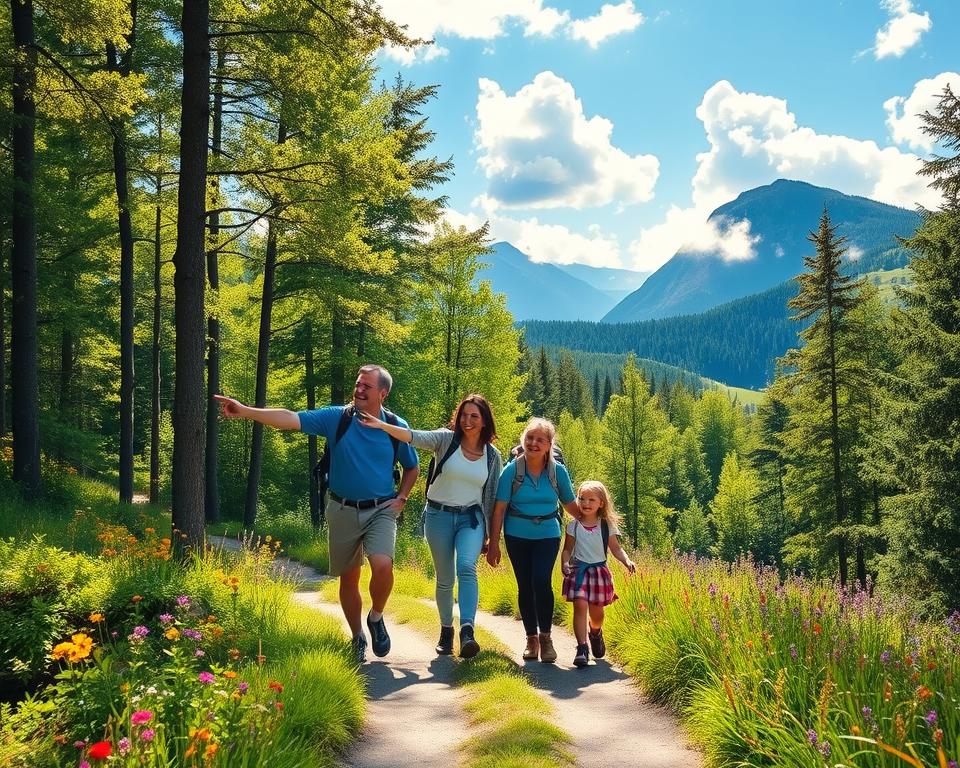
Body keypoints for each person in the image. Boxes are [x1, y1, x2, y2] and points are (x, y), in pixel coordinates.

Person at [214, 365, 419, 664]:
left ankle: (376, 617)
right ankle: (358, 636)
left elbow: (412, 466)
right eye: (358, 384)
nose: (359, 389)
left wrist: (402, 496)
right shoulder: (338, 417)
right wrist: (247, 411)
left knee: (383, 565)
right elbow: (289, 418)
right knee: (349, 579)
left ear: (383, 393)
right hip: (341, 508)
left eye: (367, 386)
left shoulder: (395, 426)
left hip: (381, 509)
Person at [359, 394, 503, 658]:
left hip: (471, 519)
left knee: (467, 568)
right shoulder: (445, 440)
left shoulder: (493, 457)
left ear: (484, 422)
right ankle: (446, 631)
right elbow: (413, 436)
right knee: (446, 578)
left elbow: (494, 500)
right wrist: (382, 425)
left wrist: (494, 540)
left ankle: (467, 630)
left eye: (474, 416)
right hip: (438, 516)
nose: (467, 421)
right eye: (464, 415)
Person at [486, 417, 579, 663]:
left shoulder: (557, 472)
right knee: (525, 585)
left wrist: (596, 523)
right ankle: (531, 639)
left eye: (540, 440)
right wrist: (493, 544)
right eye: (529, 438)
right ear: (523, 440)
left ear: (549, 445)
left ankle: (546, 638)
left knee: (541, 580)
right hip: (516, 535)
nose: (533, 443)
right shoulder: (511, 471)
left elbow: (570, 505)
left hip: (548, 533)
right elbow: (499, 510)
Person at [560, 480, 635, 667]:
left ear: (601, 503)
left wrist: (627, 561)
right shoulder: (573, 526)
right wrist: (565, 562)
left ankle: (595, 632)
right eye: (582, 499)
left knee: (597, 613)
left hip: (599, 572)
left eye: (591, 500)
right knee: (580, 605)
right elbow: (567, 550)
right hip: (579, 571)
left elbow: (616, 549)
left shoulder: (605, 526)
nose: (586, 503)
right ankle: (582, 648)